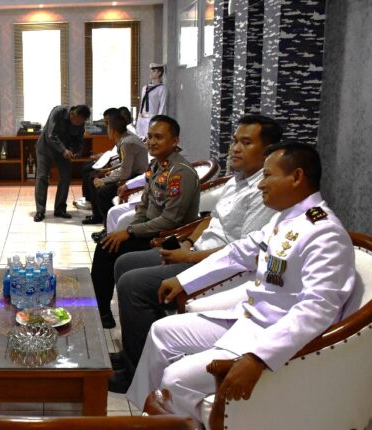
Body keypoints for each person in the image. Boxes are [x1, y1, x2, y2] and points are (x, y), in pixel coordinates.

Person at [126, 143, 356, 426]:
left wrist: (259, 357)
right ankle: (150, 417)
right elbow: (238, 252)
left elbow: (318, 309)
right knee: (162, 332)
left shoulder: (324, 234)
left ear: (296, 177)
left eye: (268, 175)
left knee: (177, 378)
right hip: (248, 319)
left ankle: (181, 421)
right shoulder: (286, 218)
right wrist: (183, 280)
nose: (260, 184)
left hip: (271, 336)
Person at [107, 115, 282, 393]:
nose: (235, 148)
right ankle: (134, 350)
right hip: (196, 252)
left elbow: (242, 252)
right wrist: (187, 243)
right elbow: (211, 219)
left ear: (268, 151)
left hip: (219, 268)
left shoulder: (264, 192)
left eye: (246, 143)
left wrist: (187, 258)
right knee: (124, 263)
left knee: (132, 284)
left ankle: (136, 371)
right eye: (235, 141)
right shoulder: (238, 180)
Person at [91, 115, 199, 329]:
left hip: (168, 237)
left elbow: (170, 220)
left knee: (107, 250)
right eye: (149, 137)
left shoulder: (180, 173)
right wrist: (129, 229)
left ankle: (102, 312)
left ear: (175, 141)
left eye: (158, 137)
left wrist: (130, 232)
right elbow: (144, 205)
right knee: (107, 243)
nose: (151, 142)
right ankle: (99, 309)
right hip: (149, 231)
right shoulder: (156, 165)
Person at [83, 110, 147, 225]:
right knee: (93, 177)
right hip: (131, 172)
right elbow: (125, 163)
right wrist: (109, 170)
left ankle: (109, 225)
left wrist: (105, 180)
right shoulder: (124, 139)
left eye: (107, 127)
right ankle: (98, 216)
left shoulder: (126, 143)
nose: (107, 130)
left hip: (136, 176)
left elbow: (125, 173)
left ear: (113, 130)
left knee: (103, 192)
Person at [33, 104, 91, 222]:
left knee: (65, 177)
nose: (79, 124)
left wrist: (76, 151)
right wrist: (63, 150)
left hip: (64, 151)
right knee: (42, 177)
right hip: (46, 148)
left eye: (82, 122)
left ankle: (60, 209)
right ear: (72, 114)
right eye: (77, 121)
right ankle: (40, 210)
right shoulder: (58, 112)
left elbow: (79, 140)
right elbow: (51, 135)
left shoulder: (81, 122)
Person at [76, 107, 121, 211]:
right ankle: (89, 200)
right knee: (87, 168)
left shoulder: (126, 139)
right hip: (112, 162)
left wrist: (108, 170)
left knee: (92, 175)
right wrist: (102, 156)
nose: (105, 125)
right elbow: (114, 152)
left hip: (115, 166)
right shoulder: (120, 137)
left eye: (107, 122)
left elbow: (123, 163)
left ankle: (94, 207)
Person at [135, 63, 167, 139]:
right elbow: (142, 104)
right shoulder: (145, 88)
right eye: (151, 70)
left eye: (154, 71)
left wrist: (157, 122)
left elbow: (162, 107)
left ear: (159, 73)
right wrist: (138, 118)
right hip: (141, 118)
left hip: (151, 119)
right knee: (139, 140)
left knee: (149, 139)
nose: (151, 72)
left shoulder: (162, 89)